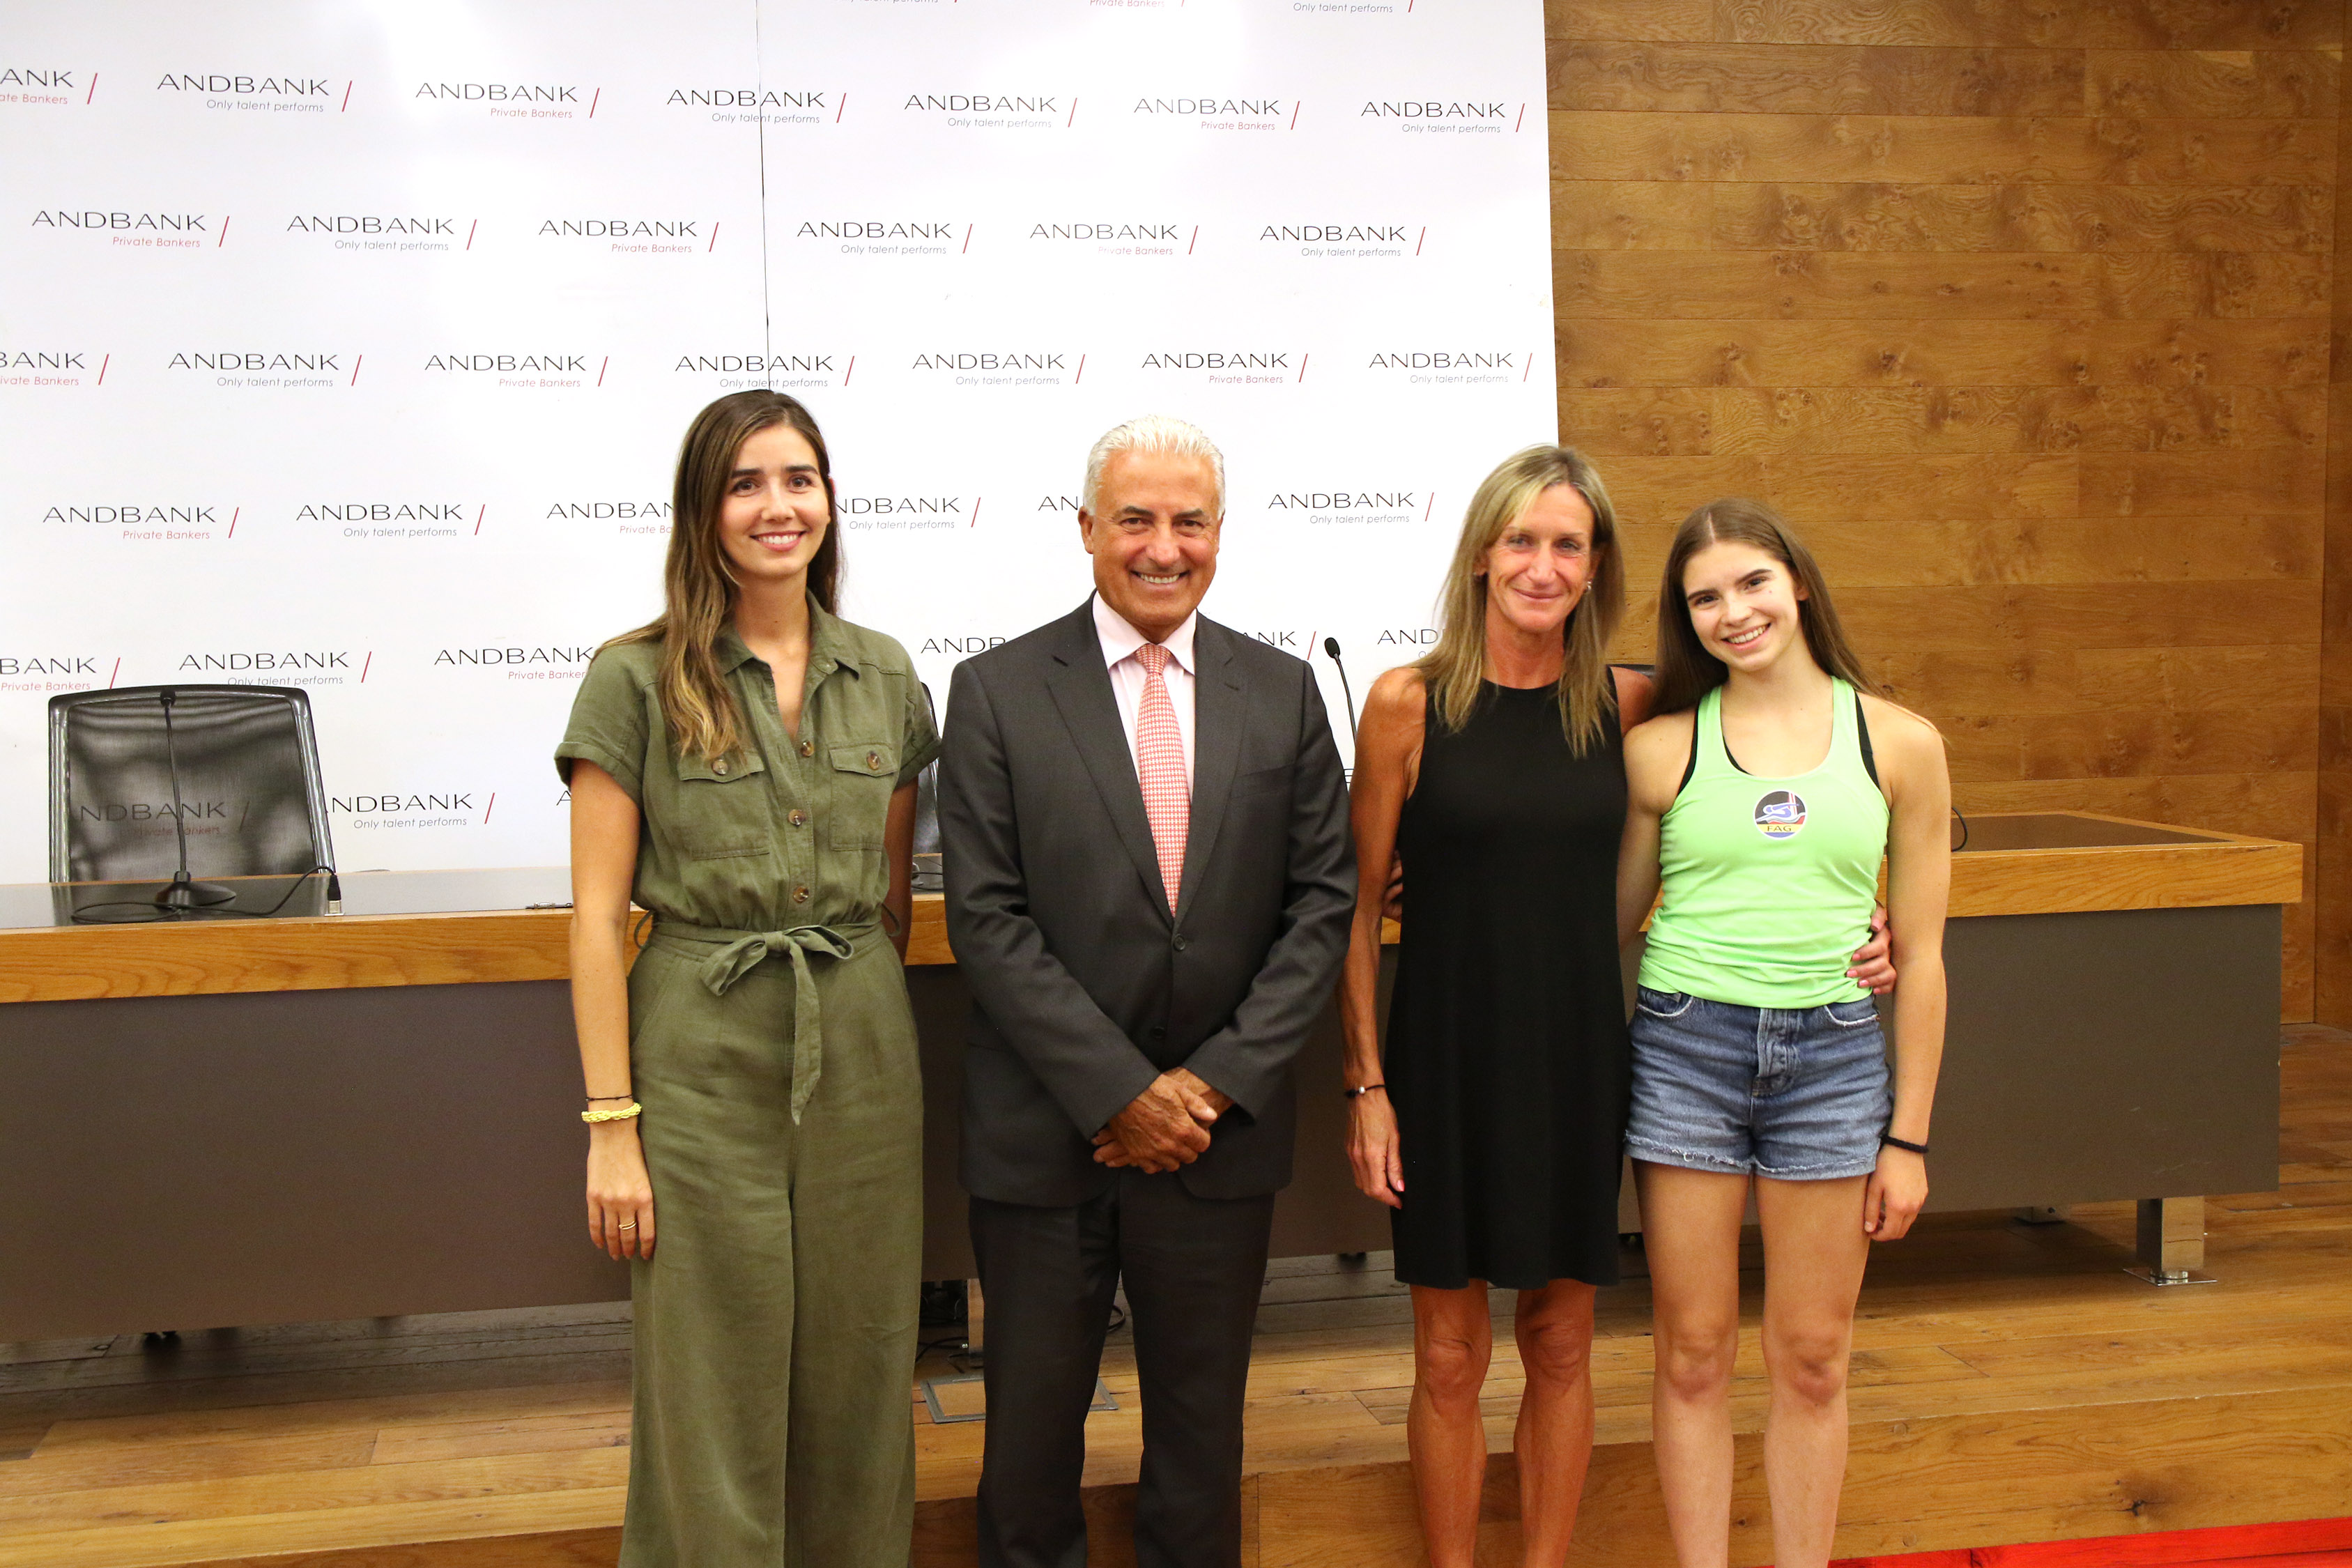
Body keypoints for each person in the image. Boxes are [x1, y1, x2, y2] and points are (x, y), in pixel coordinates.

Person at [938, 413, 1355, 1568]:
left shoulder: (1282, 691)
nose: (1163, 546)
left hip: (1215, 1145)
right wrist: (1122, 1092)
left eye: (1189, 521)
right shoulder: (996, 690)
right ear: (1086, 529)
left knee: (1199, 1445)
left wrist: (1206, 1088)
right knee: (1028, 1452)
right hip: (1044, 1138)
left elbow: (1322, 905)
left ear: (1220, 532)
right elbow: (987, 919)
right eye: (1135, 518)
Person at [556, 390, 938, 1568]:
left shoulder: (885, 674)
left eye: (799, 479)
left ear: (829, 499)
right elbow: (594, 920)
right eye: (745, 483)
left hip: (862, 1047)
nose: (779, 505)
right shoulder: (632, 679)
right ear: (703, 510)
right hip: (698, 1054)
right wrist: (612, 1125)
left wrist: (858, 1009)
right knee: (708, 1369)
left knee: (862, 1359)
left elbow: (888, 896)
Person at [1615, 498, 1949, 1568]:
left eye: (1752, 582)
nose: (1734, 611)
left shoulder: (1902, 742)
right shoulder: (1660, 749)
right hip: (1686, 1051)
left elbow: (1925, 960)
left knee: (1812, 1356)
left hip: (1835, 1061)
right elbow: (1604, 923)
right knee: (1693, 1351)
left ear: (1797, 581)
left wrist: (1909, 1138)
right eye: (1704, 597)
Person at [1337, 445, 1646, 1567]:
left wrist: (1870, 907)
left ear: (1596, 565)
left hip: (1578, 1059)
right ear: (1481, 554)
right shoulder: (1406, 704)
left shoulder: (1634, 703)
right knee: (1448, 1354)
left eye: (1568, 544)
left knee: (1562, 1340)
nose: (1542, 565)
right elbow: (1356, 911)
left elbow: (1781, 770)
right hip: (1444, 1059)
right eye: (1521, 539)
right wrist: (1367, 1087)